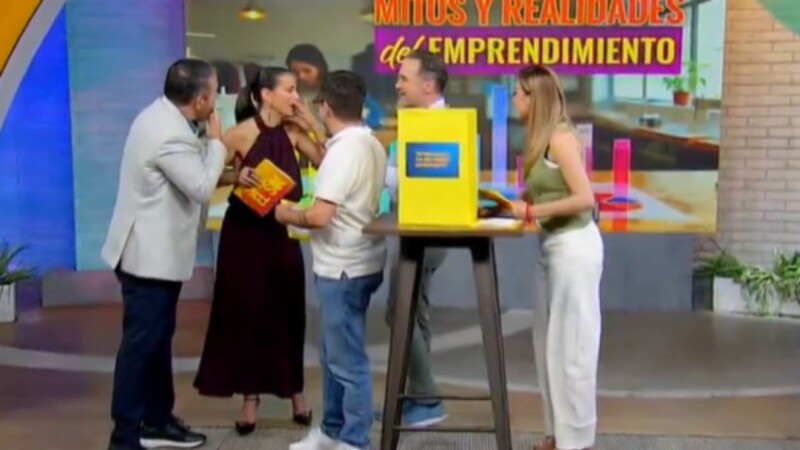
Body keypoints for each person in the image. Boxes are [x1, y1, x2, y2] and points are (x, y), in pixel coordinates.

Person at [101, 58, 226, 450]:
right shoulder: (169, 134)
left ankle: (156, 420)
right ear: (200, 100)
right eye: (215, 92)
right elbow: (201, 186)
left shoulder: (161, 117)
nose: (217, 100)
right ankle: (124, 437)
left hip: (152, 256)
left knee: (156, 341)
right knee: (141, 347)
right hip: (147, 260)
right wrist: (218, 141)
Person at [193, 66, 324, 435]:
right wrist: (236, 176)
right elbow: (204, 176)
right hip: (244, 236)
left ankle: (295, 392)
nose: (296, 97)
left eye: (297, 90)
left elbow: (329, 162)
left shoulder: (294, 132)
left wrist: (312, 124)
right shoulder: (239, 134)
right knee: (248, 314)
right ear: (266, 94)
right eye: (289, 90)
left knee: (288, 313)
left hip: (281, 232)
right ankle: (250, 399)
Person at [275, 70, 387, 450]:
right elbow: (334, 156)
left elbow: (320, 215)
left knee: (346, 361)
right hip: (359, 262)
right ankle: (332, 430)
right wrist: (310, 125)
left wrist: (286, 212)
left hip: (343, 268)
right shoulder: (367, 142)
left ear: (326, 106)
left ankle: (354, 440)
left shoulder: (344, 153)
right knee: (332, 355)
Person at [510, 65, 603, 450]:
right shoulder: (538, 138)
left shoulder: (561, 138)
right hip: (551, 249)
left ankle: (576, 440)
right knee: (548, 345)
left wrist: (531, 212)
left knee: (572, 349)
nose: (514, 99)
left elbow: (584, 198)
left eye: (518, 93)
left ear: (534, 98)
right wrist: (508, 204)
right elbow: (546, 189)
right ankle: (558, 433)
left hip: (574, 249)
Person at [377, 49, 449, 428]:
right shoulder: (418, 121)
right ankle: (417, 398)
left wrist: (367, 163)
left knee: (399, 310)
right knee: (414, 311)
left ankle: (428, 398)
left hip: (426, 230)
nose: (397, 84)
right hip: (416, 227)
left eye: (404, 78)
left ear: (429, 85)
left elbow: (408, 181)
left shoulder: (435, 127)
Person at [286, 43, 384, 130]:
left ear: (319, 68)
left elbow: (375, 114)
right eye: (294, 72)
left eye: (307, 71)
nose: (301, 76)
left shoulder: (338, 86)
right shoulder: (291, 92)